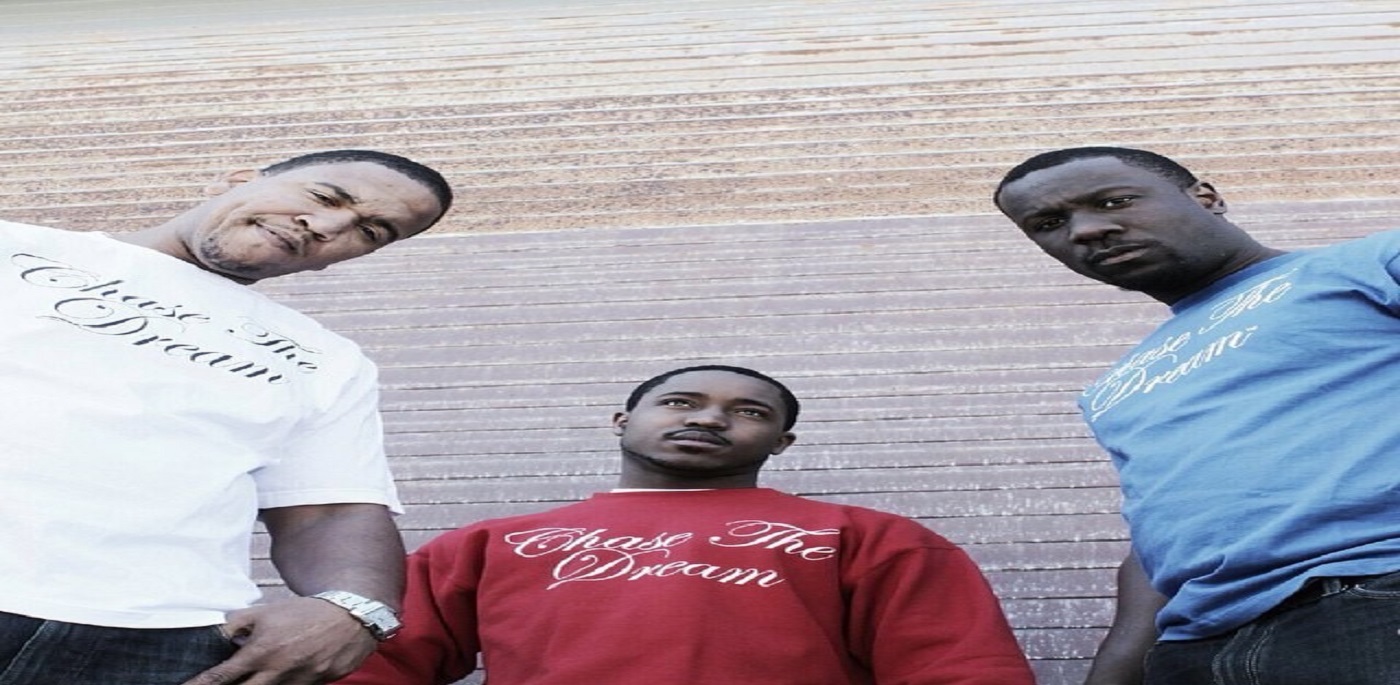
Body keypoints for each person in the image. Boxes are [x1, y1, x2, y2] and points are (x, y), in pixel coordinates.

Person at [0, 149, 455, 685]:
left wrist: (356, 609)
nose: (328, 226)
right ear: (238, 179)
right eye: (325, 197)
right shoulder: (17, 247)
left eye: (370, 231)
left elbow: (330, 510)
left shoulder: (326, 358)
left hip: (165, 640)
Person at [338, 365, 1036, 684]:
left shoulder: (870, 537)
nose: (708, 417)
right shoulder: (488, 544)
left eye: (750, 412)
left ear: (782, 443)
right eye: (680, 401)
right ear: (622, 421)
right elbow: (374, 666)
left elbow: (959, 668)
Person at [993, 146, 1400, 684]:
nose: (1086, 230)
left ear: (1206, 198)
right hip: (1194, 649)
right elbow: (1160, 540)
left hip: (1373, 594)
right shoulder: (1115, 385)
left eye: (1113, 201)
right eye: (1048, 224)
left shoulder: (1367, 263)